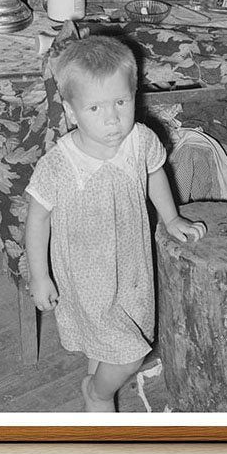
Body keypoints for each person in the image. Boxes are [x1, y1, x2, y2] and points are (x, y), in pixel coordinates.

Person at [24, 35, 205, 413]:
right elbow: (37, 218)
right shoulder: (59, 164)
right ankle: (99, 393)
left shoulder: (140, 139)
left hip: (132, 268)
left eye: (121, 102)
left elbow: (155, 171)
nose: (112, 119)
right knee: (128, 356)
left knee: (107, 346)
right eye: (94, 108)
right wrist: (40, 276)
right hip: (87, 278)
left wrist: (171, 217)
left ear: (134, 96)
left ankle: (97, 427)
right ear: (71, 112)